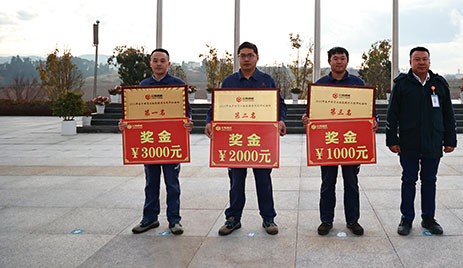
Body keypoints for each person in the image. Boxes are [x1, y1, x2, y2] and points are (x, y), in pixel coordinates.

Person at [205, 41, 287, 236]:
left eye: (250, 55)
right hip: (236, 141)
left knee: (264, 181)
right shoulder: (229, 82)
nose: (246, 59)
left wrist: (281, 120)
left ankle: (268, 218)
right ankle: (233, 219)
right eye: (243, 55)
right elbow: (217, 107)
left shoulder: (266, 81)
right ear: (238, 58)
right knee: (236, 183)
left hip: (261, 140)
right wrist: (209, 122)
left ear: (257, 58)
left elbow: (280, 105)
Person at [301, 47, 378, 236]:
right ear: (329, 61)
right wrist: (307, 119)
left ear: (347, 61)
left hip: (351, 142)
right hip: (329, 143)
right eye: (335, 58)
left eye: (342, 58)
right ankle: (326, 220)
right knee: (327, 183)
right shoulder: (320, 85)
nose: (339, 62)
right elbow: (312, 112)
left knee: (351, 183)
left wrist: (374, 120)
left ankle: (353, 220)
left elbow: (369, 110)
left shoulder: (357, 83)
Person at [118, 48, 194, 235]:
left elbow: (187, 111)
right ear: (150, 63)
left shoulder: (178, 85)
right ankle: (150, 218)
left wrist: (188, 122)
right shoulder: (143, 85)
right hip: (150, 143)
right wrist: (125, 124)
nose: (159, 64)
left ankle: (174, 220)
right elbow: (135, 113)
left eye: (162, 60)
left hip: (170, 143)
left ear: (168, 64)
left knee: (172, 184)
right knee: (151, 183)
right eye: (155, 60)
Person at [386, 46, 456, 236]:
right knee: (409, 180)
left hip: (433, 140)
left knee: (429, 181)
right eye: (417, 59)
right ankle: (406, 218)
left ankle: (428, 218)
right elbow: (392, 114)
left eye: (424, 59)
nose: (421, 63)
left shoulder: (439, 84)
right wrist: (392, 140)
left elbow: (448, 114)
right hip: (408, 141)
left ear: (429, 61)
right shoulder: (402, 84)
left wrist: (450, 139)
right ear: (410, 62)